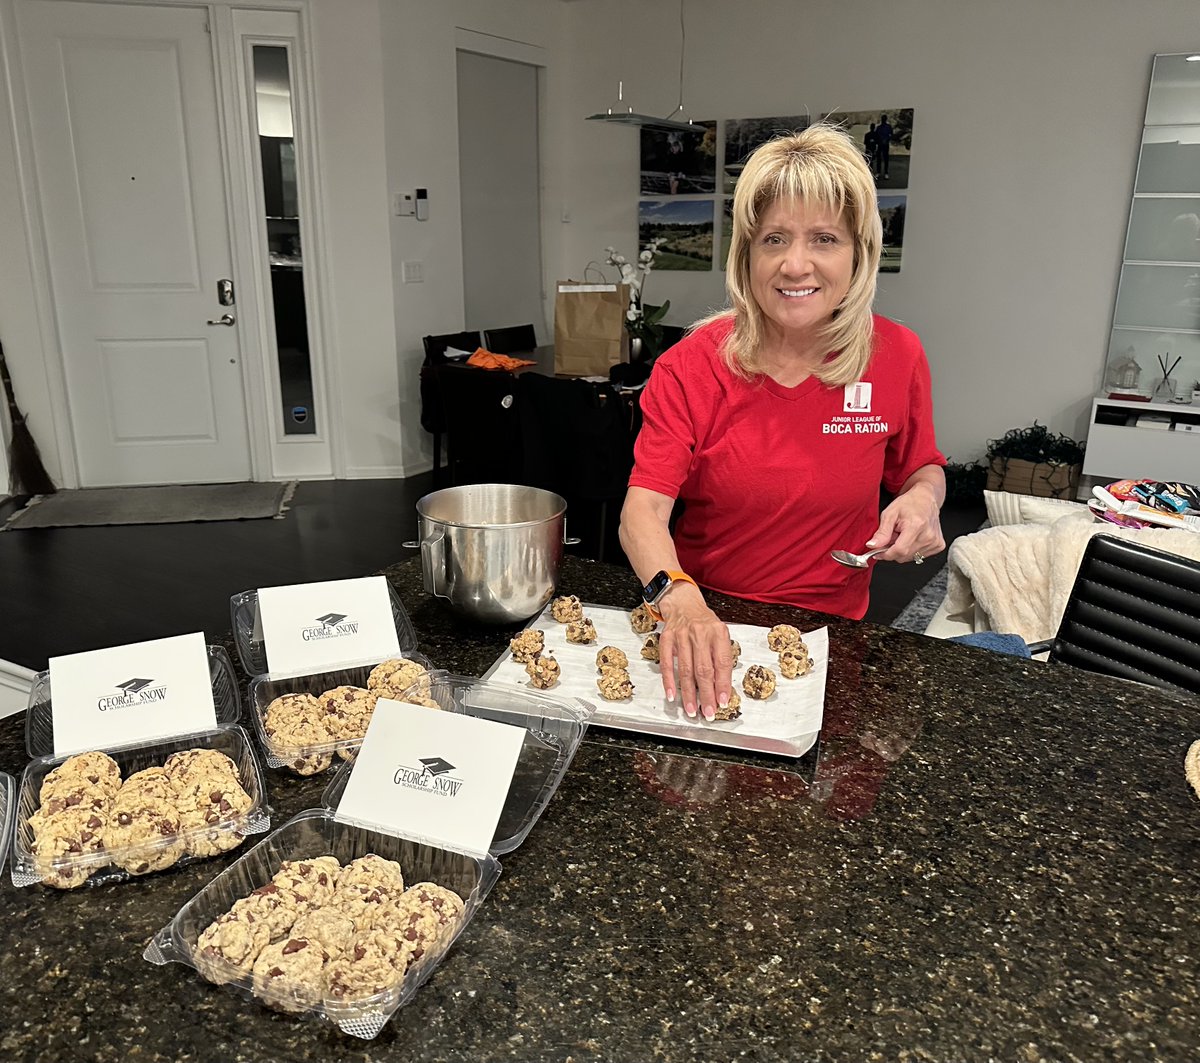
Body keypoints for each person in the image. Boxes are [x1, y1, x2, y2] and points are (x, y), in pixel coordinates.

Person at [619, 123, 945, 723]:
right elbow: (643, 512)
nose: (796, 265)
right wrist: (679, 600)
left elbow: (920, 465)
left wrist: (924, 500)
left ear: (859, 253)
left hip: (833, 632)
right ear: (747, 255)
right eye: (774, 239)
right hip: (704, 619)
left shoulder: (898, 355)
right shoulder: (692, 366)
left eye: (824, 238)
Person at [874, 113, 893, 179]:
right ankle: (878, 172)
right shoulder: (879, 127)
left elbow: (891, 135)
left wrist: (886, 140)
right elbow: (876, 136)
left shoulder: (888, 127)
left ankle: (886, 173)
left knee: (885, 159)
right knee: (879, 159)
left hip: (885, 145)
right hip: (880, 145)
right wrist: (878, 142)